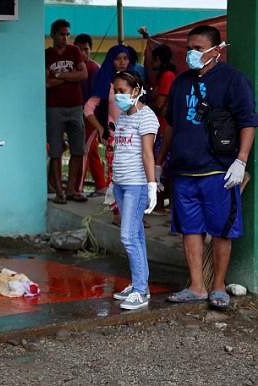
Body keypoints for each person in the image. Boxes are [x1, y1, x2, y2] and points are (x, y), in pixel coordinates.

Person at [158, 26, 258, 309]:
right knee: (190, 229)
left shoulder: (233, 80)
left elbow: (248, 122)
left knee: (221, 230)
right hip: (184, 171)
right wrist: (158, 164)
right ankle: (197, 286)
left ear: (217, 50)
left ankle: (218, 287)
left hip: (219, 171)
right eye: (189, 47)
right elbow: (171, 125)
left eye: (199, 48)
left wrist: (241, 160)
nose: (192, 53)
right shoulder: (180, 83)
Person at [107, 71, 159, 310]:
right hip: (120, 183)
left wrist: (151, 186)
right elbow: (119, 152)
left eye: (122, 90)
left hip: (136, 185)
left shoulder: (146, 117)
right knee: (135, 236)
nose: (118, 95)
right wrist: (111, 183)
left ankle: (140, 291)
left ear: (136, 90)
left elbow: (148, 154)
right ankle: (140, 284)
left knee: (128, 237)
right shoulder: (123, 117)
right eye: (115, 90)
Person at [84, 45, 134, 225]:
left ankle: (134, 214)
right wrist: (100, 128)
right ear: (111, 61)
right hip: (115, 138)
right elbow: (88, 108)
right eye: (118, 58)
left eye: (125, 58)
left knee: (136, 176)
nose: (122, 62)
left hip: (135, 138)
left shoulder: (135, 82)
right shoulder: (106, 83)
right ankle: (117, 212)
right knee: (116, 176)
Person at [46, 19, 88, 204]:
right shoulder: (47, 54)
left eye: (67, 34)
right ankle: (59, 192)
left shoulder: (74, 51)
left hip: (75, 106)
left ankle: (71, 188)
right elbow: (47, 82)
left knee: (78, 149)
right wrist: (71, 77)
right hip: (54, 107)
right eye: (62, 34)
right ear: (53, 35)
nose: (65, 37)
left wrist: (60, 75)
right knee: (56, 151)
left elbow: (83, 74)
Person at [74, 33, 107, 197]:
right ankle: (101, 185)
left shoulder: (94, 69)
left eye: (86, 50)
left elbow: (98, 98)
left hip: (92, 117)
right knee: (91, 150)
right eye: (79, 50)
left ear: (90, 50)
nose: (83, 53)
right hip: (79, 114)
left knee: (84, 151)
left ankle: (77, 188)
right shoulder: (75, 68)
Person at [149, 44, 176, 214]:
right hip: (159, 127)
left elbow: (160, 105)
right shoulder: (161, 76)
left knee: (164, 168)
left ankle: (164, 204)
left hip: (164, 129)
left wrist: (144, 102)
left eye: (152, 59)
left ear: (158, 60)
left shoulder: (167, 76)